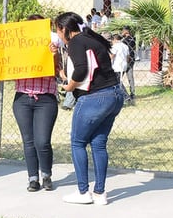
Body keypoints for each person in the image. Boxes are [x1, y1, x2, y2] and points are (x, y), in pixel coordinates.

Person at [55, 12, 125, 205]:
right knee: (98, 144)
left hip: (94, 98)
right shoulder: (92, 39)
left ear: (65, 29)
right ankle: (100, 193)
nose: (58, 34)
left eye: (58, 30)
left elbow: (81, 70)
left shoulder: (76, 42)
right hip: (114, 94)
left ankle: (83, 191)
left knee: (77, 142)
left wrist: (69, 87)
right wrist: (63, 74)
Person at [11, 15, 60, 192]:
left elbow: (57, 69)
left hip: (45, 98)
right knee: (28, 141)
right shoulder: (17, 47)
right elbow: (3, 65)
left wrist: (54, 55)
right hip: (22, 98)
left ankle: (46, 174)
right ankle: (33, 178)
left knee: (42, 141)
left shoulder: (51, 45)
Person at [119, 26, 137, 103]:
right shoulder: (133, 39)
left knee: (118, 77)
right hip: (131, 59)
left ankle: (125, 94)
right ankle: (132, 93)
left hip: (126, 60)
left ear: (126, 31)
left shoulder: (125, 40)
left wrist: (121, 36)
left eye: (123, 31)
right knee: (130, 77)